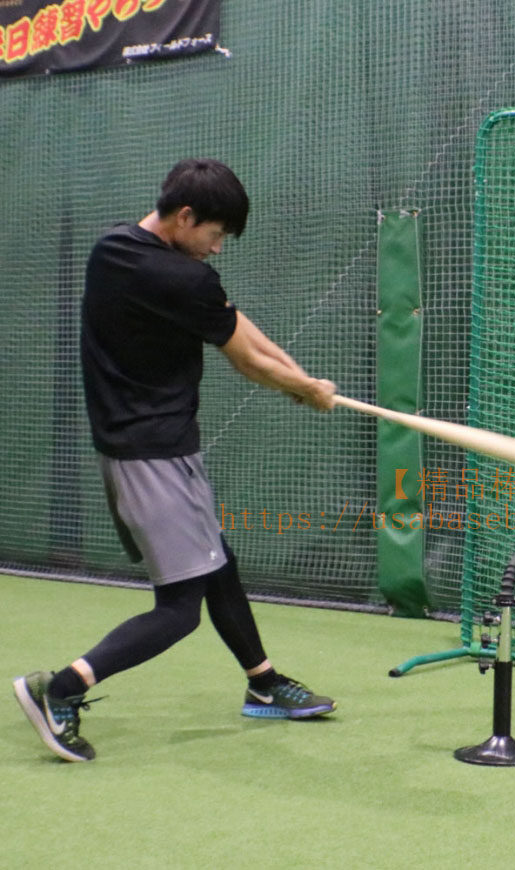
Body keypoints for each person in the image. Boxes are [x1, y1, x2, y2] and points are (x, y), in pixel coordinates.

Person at [13, 158, 337, 763]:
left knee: (219, 565)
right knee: (180, 610)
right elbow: (246, 359)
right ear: (185, 217)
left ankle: (263, 683)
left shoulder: (114, 248)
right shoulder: (184, 280)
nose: (217, 248)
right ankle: (59, 690)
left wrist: (297, 375)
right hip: (153, 457)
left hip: (144, 448)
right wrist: (305, 390)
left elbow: (235, 324)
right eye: (215, 234)